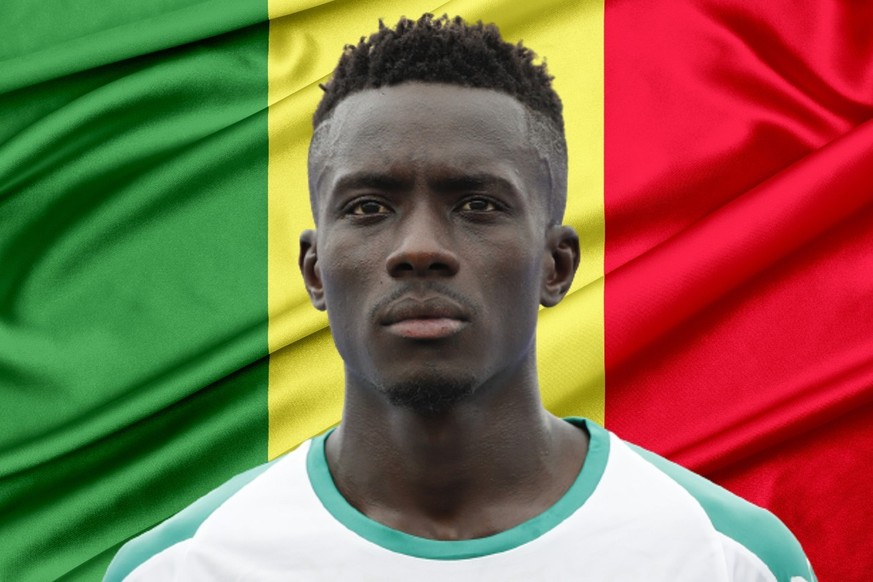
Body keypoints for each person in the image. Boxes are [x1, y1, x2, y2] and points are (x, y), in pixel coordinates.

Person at [105, 14, 815, 581]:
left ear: (556, 265)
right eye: (368, 207)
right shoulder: (184, 567)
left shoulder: (726, 558)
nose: (419, 248)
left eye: (477, 204)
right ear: (315, 272)